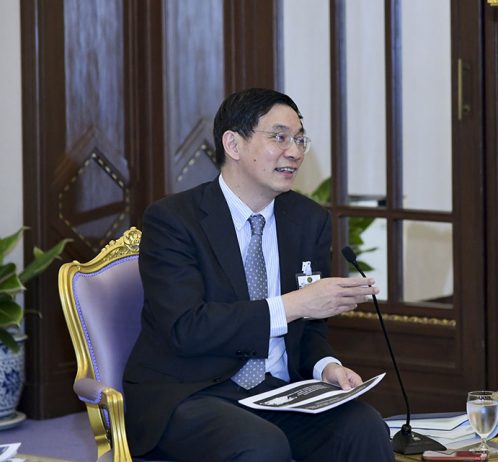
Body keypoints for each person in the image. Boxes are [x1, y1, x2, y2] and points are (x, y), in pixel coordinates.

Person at [123, 88, 395, 461]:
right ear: (233, 144)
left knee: (364, 427)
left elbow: (310, 329)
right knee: (261, 445)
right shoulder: (174, 220)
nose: (295, 152)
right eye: (280, 137)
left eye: (300, 139)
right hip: (188, 391)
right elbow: (186, 327)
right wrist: (294, 304)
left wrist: (326, 367)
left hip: (275, 392)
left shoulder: (308, 221)